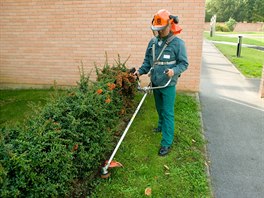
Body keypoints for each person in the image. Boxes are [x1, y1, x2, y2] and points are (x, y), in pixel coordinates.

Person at [134, 9, 189, 156]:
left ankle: (166, 142)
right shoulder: (152, 42)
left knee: (168, 112)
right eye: (156, 29)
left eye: (161, 29)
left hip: (168, 85)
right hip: (155, 82)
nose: (158, 32)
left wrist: (173, 71)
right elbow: (148, 62)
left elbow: (184, 64)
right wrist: (139, 72)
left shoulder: (178, 43)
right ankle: (160, 125)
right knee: (159, 108)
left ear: (169, 26)